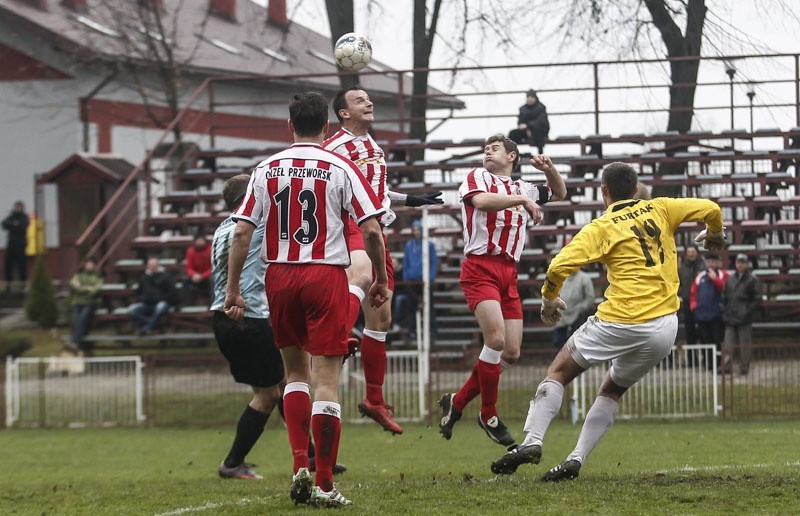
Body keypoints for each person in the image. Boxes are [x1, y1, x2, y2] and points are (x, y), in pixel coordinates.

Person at [489, 161, 725, 481]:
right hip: (665, 326)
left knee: (558, 372)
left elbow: (558, 267)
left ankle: (532, 441)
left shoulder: (602, 227)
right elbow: (711, 207)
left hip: (620, 321)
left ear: (604, 191)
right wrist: (714, 235)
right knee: (611, 389)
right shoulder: (662, 208)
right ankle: (575, 459)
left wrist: (549, 300)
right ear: (636, 187)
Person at [225, 91, 389, 508]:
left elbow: (241, 231)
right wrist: (381, 278)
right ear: (327, 126)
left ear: (289, 125)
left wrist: (232, 289)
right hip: (325, 276)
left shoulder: (266, 168)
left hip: (279, 276)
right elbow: (371, 230)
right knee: (326, 381)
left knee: (294, 376)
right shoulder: (340, 165)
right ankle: (326, 482)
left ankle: (300, 465)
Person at [323, 86, 443, 435]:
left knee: (382, 316)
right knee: (361, 279)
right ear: (343, 113)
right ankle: (338, 333)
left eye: (368, 99)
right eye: (359, 100)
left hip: (374, 227)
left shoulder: (372, 146)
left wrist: (411, 199)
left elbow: (376, 192)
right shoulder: (334, 148)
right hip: (348, 227)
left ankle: (374, 399)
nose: (369, 103)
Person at [211, 175, 344, 481]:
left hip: (222, 316)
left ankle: (309, 455)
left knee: (284, 386)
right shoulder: (252, 223)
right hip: (247, 316)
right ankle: (232, 462)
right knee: (272, 392)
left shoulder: (221, 228)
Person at [438, 134, 566, 446]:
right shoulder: (477, 177)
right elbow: (481, 202)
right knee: (494, 340)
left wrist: (549, 169)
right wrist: (523, 201)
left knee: (510, 352)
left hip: (508, 272)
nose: (487, 152)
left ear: (512, 157)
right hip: (480, 267)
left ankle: (456, 403)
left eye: (494, 148)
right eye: (485, 149)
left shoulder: (525, 187)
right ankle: (488, 414)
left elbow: (560, 192)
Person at [394, 219, 438, 342]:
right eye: (414, 230)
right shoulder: (409, 245)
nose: (416, 232)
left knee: (429, 307)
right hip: (412, 282)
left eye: (418, 230)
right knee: (411, 307)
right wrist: (407, 277)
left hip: (425, 282)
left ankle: (432, 331)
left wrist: (430, 277)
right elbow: (406, 262)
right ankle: (411, 331)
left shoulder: (429, 245)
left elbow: (433, 262)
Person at [721, 254, 762, 375]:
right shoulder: (730, 279)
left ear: (747, 264)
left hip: (745, 317)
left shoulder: (753, 280)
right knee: (728, 343)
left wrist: (747, 310)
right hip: (730, 316)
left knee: (745, 345)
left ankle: (744, 367)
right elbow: (723, 296)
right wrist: (725, 310)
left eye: (743, 262)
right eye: (739, 262)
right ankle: (726, 366)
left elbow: (757, 299)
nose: (740, 264)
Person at [690, 252, 728, 371]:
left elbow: (725, 289)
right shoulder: (700, 276)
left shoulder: (723, 275)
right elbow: (693, 293)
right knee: (704, 340)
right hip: (702, 315)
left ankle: (717, 363)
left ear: (717, 263)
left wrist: (715, 279)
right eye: (709, 262)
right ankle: (707, 363)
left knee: (717, 340)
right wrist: (694, 307)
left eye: (713, 262)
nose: (711, 264)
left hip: (717, 315)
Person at [551, 264, 594, 356]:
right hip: (560, 315)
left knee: (578, 343)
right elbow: (552, 294)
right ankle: (558, 365)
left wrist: (580, 308)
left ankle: (576, 366)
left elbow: (590, 297)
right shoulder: (560, 277)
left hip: (577, 314)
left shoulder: (584, 278)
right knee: (558, 343)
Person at [128, 257, 175, 335]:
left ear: (158, 265)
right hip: (146, 303)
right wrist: (142, 298)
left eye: (154, 265)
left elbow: (173, 292)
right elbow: (138, 291)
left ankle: (146, 328)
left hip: (161, 302)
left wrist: (164, 298)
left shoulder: (166, 277)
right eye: (150, 265)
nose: (152, 267)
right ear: (147, 266)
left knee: (160, 308)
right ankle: (152, 325)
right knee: (131, 310)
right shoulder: (143, 277)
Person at [677, 245, 706, 365]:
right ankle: (691, 360)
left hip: (701, 302)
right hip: (688, 302)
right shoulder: (682, 268)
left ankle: (705, 359)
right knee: (690, 333)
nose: (691, 254)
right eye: (689, 252)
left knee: (703, 332)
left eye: (693, 251)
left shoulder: (703, 266)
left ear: (697, 253)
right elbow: (678, 284)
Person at [68, 257, 103, 352]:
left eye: (91, 264)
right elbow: (74, 285)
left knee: (83, 318)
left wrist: (82, 288)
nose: (89, 266)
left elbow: (96, 290)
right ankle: (76, 342)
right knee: (76, 320)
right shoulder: (78, 275)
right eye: (88, 264)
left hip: (90, 302)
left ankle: (73, 342)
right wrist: (87, 288)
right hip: (77, 302)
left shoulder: (97, 276)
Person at [507, 89, 550, 153]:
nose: (530, 99)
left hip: (540, 131)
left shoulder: (541, 107)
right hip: (526, 131)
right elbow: (520, 122)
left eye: (531, 97)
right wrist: (525, 128)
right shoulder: (523, 109)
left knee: (537, 130)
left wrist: (528, 126)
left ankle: (540, 155)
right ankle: (512, 154)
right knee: (512, 134)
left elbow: (541, 121)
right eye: (528, 97)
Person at [2, 201, 29, 290]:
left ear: (22, 208)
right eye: (16, 207)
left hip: (21, 245)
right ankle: (8, 286)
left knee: (21, 266)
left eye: (19, 207)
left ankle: (22, 286)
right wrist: (14, 224)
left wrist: (13, 225)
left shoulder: (24, 217)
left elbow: (23, 225)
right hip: (11, 245)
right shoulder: (11, 216)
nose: (17, 209)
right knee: (8, 266)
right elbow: (4, 224)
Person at [181, 234, 212, 306]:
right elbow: (189, 267)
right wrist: (193, 274)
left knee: (214, 280)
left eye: (201, 240)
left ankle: (212, 304)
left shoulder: (211, 249)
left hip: (208, 276)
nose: (199, 242)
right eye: (198, 240)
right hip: (195, 276)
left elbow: (213, 267)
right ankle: (186, 305)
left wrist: (203, 276)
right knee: (185, 280)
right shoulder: (190, 251)